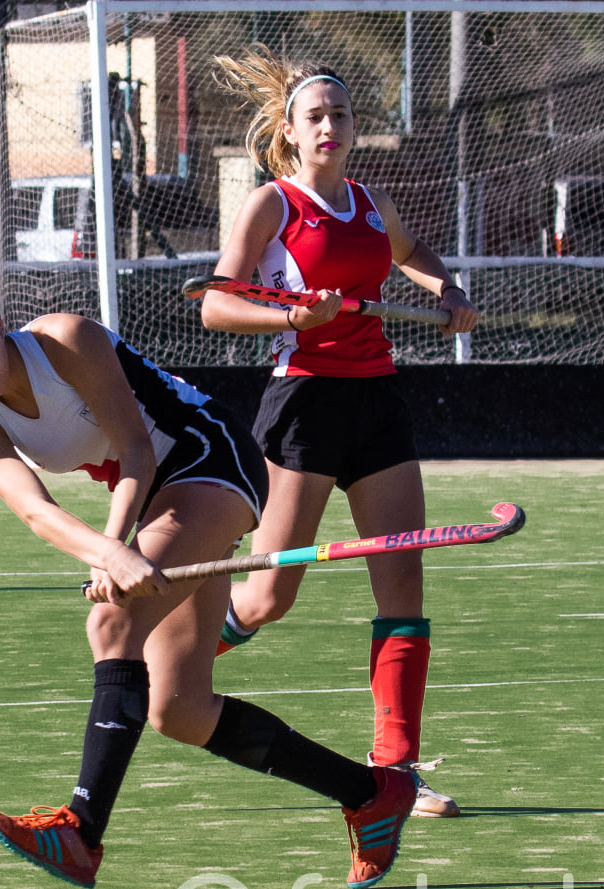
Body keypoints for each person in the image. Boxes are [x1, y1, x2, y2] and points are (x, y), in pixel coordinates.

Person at [0, 274, 417, 889]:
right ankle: (372, 793)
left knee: (112, 623)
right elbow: (36, 511)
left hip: (209, 457)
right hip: (159, 500)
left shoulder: (64, 340)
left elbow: (136, 449)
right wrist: (107, 552)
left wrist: (112, 551)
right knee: (180, 710)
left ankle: (79, 833)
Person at [199, 47, 479, 819]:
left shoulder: (370, 202)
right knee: (268, 597)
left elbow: (412, 254)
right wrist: (293, 316)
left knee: (403, 582)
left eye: (341, 115)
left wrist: (447, 289)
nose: (330, 126)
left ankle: (397, 771)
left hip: (377, 399)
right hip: (305, 403)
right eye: (315, 117)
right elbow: (216, 305)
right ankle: (179, 659)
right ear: (289, 132)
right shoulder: (272, 205)